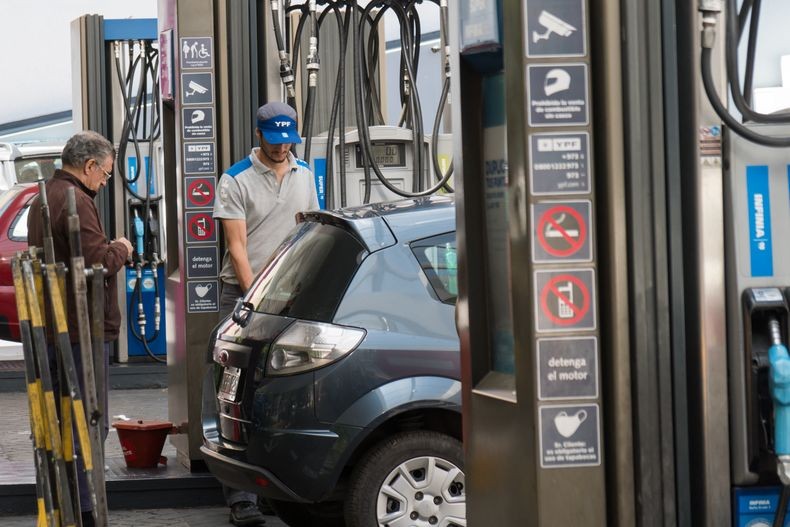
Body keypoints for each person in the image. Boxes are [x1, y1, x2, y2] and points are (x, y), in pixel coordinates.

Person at [213, 101, 318, 525]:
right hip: (242, 297)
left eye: (287, 140)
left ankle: (276, 486)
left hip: (290, 298)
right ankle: (241, 499)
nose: (281, 149)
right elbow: (237, 245)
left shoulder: (305, 173)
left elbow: (307, 232)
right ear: (259, 135)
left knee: (278, 395)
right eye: (274, 141)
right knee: (234, 392)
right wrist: (257, 295)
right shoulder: (235, 179)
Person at [27, 130, 133, 527]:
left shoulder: (44, 196)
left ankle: (72, 505)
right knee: (88, 421)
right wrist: (122, 247)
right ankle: (86, 509)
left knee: (66, 419)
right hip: (81, 331)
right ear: (89, 166)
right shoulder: (77, 201)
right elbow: (97, 264)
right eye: (105, 174)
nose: (105, 182)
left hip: (58, 326)